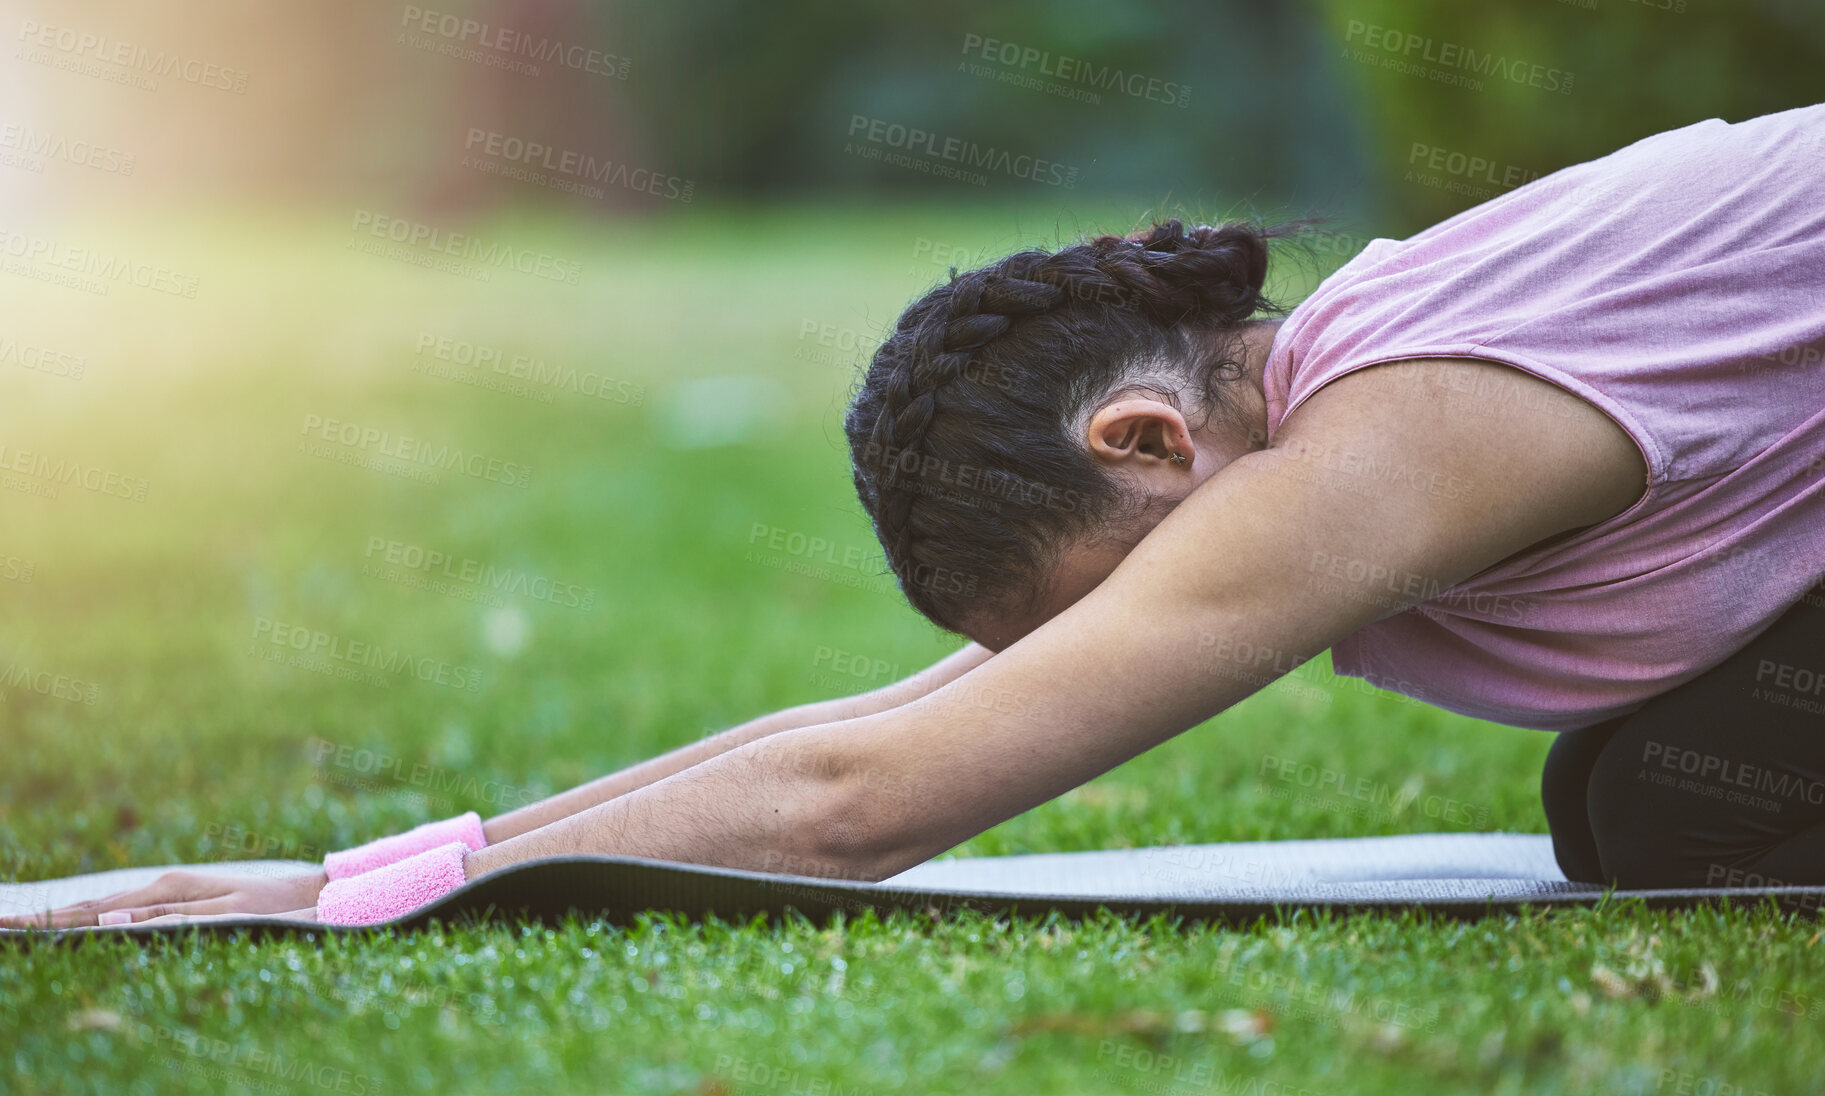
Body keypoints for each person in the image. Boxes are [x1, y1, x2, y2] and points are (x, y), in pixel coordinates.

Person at [8, 104, 1822, 929]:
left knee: (1670, 796)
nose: (1108, 677)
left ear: (1140, 438)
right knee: (1650, 799)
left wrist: (343, 914)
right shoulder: (1323, 423)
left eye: (1102, 605)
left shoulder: (1390, 426)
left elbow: (864, 808)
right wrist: (375, 869)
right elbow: (882, 725)